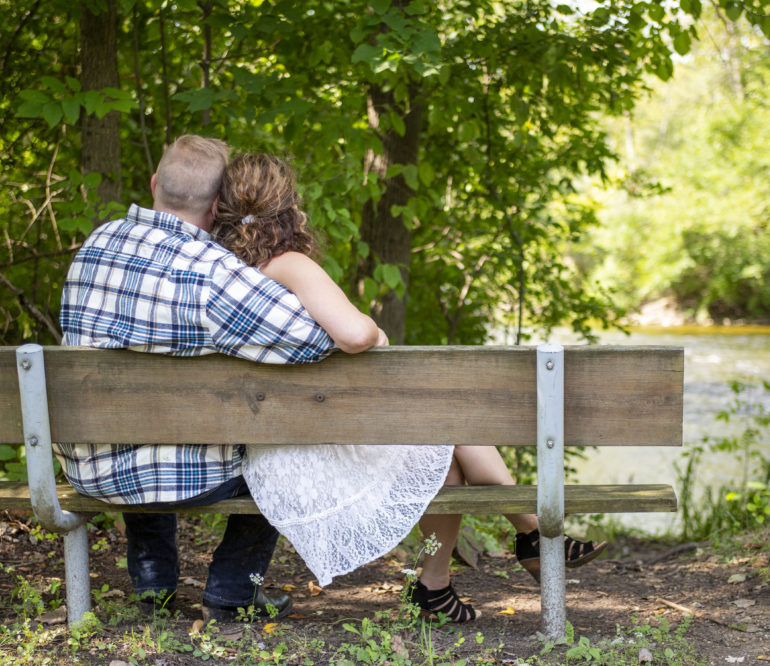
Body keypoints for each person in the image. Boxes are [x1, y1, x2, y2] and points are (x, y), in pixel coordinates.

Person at [211, 153, 608, 624]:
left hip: (271, 444)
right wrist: (376, 333)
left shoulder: (217, 272)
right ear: (287, 205)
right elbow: (359, 336)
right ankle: (536, 536)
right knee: (447, 428)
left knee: (444, 445)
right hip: (308, 451)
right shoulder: (290, 265)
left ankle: (446, 582)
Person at [57, 135, 338, 624]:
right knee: (276, 458)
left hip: (88, 465)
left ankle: (154, 591)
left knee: (134, 430)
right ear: (217, 206)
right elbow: (317, 339)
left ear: (154, 184)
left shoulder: (94, 245)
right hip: (174, 475)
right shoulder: (213, 271)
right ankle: (231, 594)